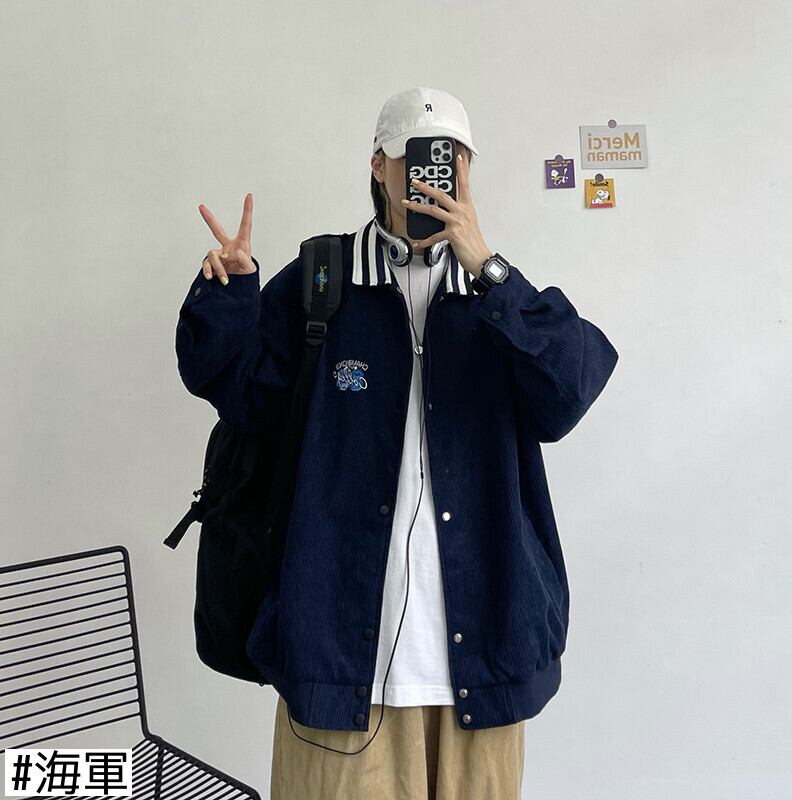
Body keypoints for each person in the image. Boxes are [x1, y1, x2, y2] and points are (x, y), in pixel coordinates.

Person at [176, 86, 619, 800]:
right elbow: (238, 393)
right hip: (337, 660)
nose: (431, 176)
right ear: (378, 167)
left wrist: (488, 268)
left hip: (483, 660)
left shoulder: (495, 297)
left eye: (451, 159)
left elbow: (570, 391)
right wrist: (229, 297)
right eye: (412, 157)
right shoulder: (323, 280)